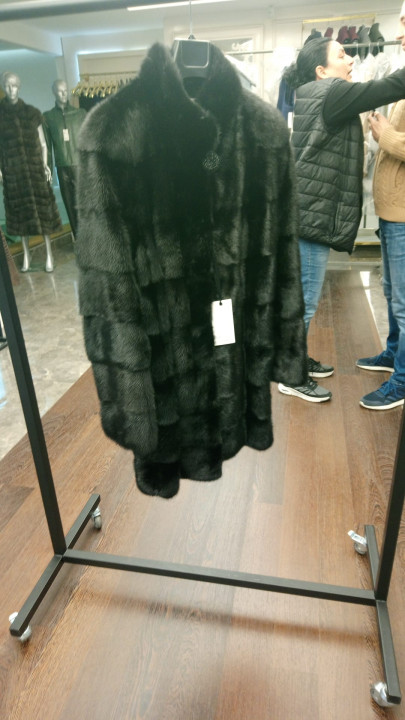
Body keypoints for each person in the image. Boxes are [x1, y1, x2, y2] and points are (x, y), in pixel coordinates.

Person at [278, 34, 405, 403]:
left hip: (309, 209)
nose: (351, 60)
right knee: (305, 300)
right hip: (311, 214)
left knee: (304, 294)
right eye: (342, 54)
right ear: (322, 70)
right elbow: (389, 86)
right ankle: (290, 375)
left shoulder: (316, 93)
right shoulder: (331, 92)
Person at [356, 5, 405, 410]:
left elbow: (398, 141)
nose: (400, 32)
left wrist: (385, 134)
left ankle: (402, 382)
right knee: (391, 294)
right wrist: (379, 134)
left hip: (404, 215)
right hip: (391, 213)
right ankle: (393, 354)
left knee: (404, 304)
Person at [0, 72, 61, 273]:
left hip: (35, 171)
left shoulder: (32, 113)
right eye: (7, 85)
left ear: (19, 87)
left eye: (14, 85)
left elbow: (43, 144)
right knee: (20, 216)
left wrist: (45, 166)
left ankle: (49, 254)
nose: (11, 89)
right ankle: (26, 255)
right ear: (3, 87)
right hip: (13, 174)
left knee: (43, 214)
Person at [43, 80, 86, 239]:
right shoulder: (48, 117)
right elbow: (47, 147)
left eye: (65, 90)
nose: (63, 94)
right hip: (62, 169)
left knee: (84, 205)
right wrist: (47, 168)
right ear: (54, 92)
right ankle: (78, 239)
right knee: (69, 205)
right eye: (60, 91)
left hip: (79, 166)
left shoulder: (80, 114)